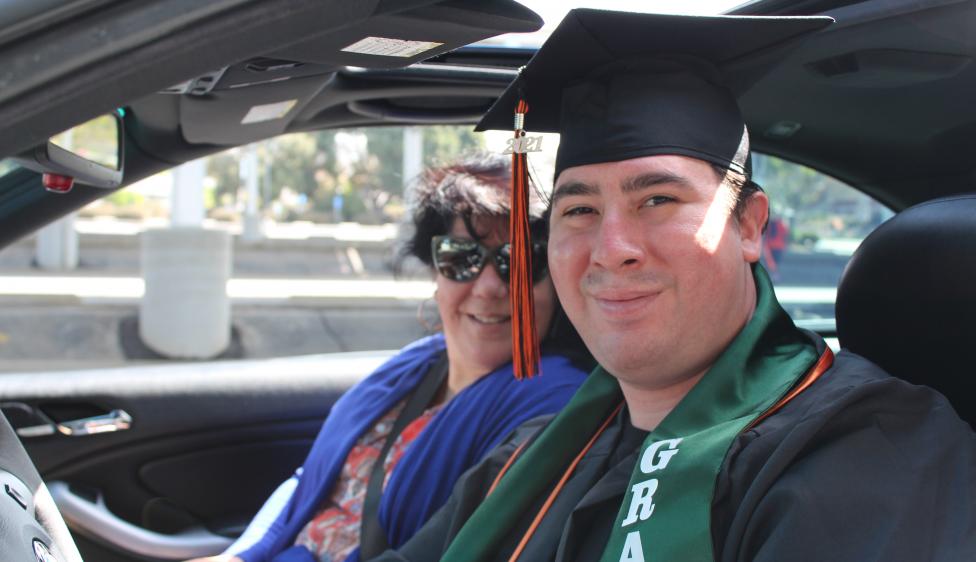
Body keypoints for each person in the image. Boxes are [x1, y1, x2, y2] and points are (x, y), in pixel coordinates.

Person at [374, 10, 976, 562]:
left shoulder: (870, 453)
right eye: (578, 211)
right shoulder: (538, 454)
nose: (612, 249)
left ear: (748, 225)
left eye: (658, 200)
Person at [188, 153, 591, 562]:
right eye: (460, 257)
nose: (487, 287)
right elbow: (312, 483)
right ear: (435, 273)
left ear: (556, 281)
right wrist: (239, 556)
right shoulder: (415, 366)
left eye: (520, 263)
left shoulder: (556, 401)